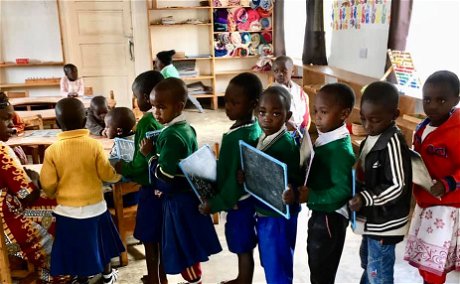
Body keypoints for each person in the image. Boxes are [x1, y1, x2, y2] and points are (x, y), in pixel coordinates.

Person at [141, 78, 222, 284]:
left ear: (179, 106)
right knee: (188, 243)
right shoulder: (187, 128)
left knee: (185, 246)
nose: (156, 113)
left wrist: (149, 155)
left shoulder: (170, 136)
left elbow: (165, 177)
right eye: (153, 107)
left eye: (161, 107)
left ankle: (195, 282)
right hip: (188, 193)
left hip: (179, 201)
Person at [40, 98, 123, 284]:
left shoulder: (52, 150)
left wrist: (54, 193)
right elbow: (106, 174)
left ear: (58, 123)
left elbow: (48, 183)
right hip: (95, 208)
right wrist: (117, 174)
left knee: (77, 249)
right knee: (102, 246)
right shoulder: (94, 145)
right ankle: (108, 276)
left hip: (68, 212)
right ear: (85, 119)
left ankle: (82, 279)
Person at [284, 83, 355, 284]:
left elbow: (344, 190)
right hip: (321, 213)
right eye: (315, 111)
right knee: (316, 265)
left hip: (330, 218)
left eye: (323, 112)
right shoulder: (327, 138)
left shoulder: (340, 151)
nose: (317, 117)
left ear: (344, 114)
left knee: (322, 270)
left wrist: (312, 196)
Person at [198, 73, 263, 284]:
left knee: (242, 245)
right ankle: (241, 278)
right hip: (241, 201)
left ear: (253, 104)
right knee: (241, 245)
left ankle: (244, 280)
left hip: (239, 203)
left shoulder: (241, 138)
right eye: (226, 101)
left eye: (235, 103)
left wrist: (214, 205)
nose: (228, 107)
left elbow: (236, 183)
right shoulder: (249, 129)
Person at [349, 81, 412, 284]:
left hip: (387, 223)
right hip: (374, 220)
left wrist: (365, 197)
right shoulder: (374, 135)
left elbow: (397, 185)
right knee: (370, 264)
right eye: (363, 119)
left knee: (379, 273)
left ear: (394, 115)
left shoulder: (392, 142)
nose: (367, 126)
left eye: (374, 120)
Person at [404, 71, 460, 284]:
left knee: (434, 265)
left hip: (447, 208)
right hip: (425, 203)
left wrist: (447, 184)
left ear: (456, 99)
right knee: (426, 258)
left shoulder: (457, 130)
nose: (433, 106)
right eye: (427, 99)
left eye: (441, 100)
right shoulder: (423, 126)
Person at [114, 71, 165, 284]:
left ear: (145, 97)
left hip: (148, 189)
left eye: (135, 96)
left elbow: (138, 164)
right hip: (162, 186)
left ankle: (154, 277)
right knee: (159, 236)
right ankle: (160, 276)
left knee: (148, 237)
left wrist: (121, 166)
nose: (135, 101)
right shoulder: (162, 119)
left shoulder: (145, 123)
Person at [0, 93, 57, 283]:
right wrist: (34, 180)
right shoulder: (2, 152)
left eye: (12, 117)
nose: (12, 124)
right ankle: (56, 268)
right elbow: (27, 195)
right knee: (61, 208)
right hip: (7, 226)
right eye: (5, 118)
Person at [249, 86, 302, 284]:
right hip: (265, 212)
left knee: (278, 265)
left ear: (287, 116)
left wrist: (291, 189)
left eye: (276, 113)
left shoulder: (286, 145)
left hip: (278, 217)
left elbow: (295, 178)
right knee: (270, 262)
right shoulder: (263, 137)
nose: (267, 118)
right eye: (262, 112)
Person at [103, 107, 137, 208]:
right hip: (137, 194)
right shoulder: (136, 139)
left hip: (122, 197)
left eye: (107, 127)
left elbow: (109, 174)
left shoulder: (120, 147)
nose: (105, 130)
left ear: (118, 131)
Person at [272, 55, 310, 132]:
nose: (280, 74)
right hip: (284, 133)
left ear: (292, 71)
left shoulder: (298, 90)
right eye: (276, 71)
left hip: (302, 131)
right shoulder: (272, 93)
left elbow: (305, 113)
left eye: (284, 70)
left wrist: (304, 128)